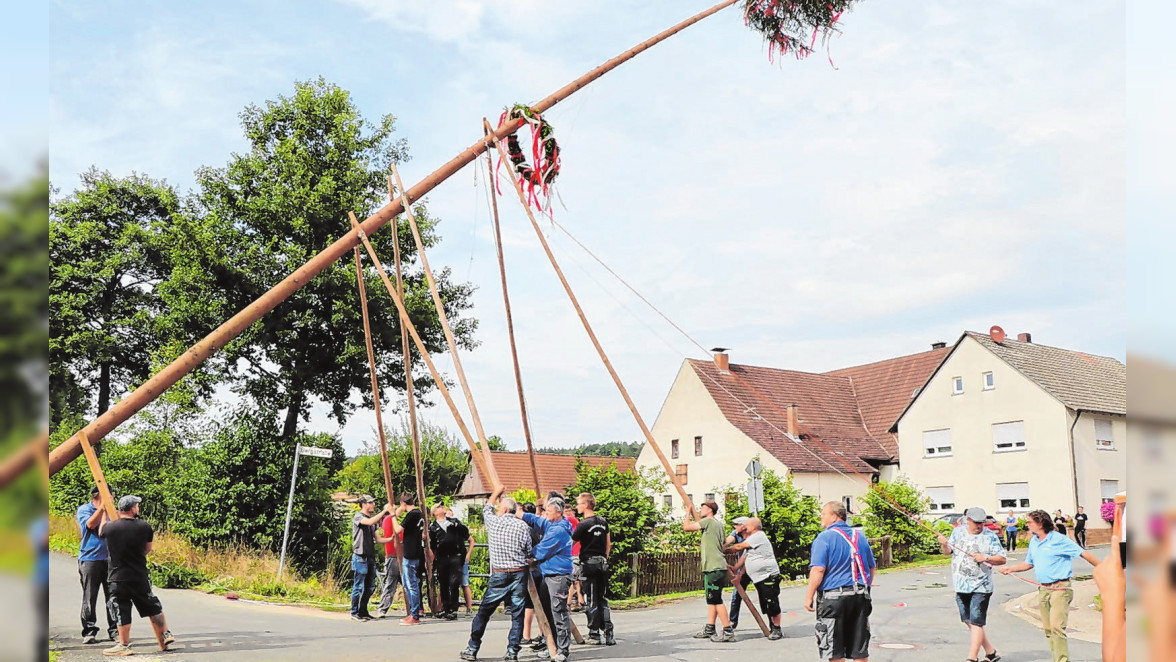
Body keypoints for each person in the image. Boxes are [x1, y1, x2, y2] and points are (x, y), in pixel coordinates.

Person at [999, 509, 1101, 662]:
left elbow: (1083, 553)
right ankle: (1057, 658)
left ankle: (1062, 660)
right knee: (1048, 629)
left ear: (1040, 523)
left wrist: (1104, 570)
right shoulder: (1034, 541)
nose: (1027, 525)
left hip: (1060, 588)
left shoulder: (1059, 539)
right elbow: (1028, 563)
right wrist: (1010, 568)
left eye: (1030, 522)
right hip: (1044, 589)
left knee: (1056, 627)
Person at [460, 484, 533, 662]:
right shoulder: (522, 526)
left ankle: (472, 648)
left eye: (501, 507)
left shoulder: (494, 522)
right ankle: (512, 652)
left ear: (505, 508)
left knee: (484, 613)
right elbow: (529, 551)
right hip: (518, 573)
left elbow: (487, 507)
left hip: (499, 574)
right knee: (517, 615)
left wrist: (496, 492)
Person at [98, 495, 174, 657]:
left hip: (118, 576)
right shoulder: (145, 526)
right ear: (132, 508)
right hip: (139, 574)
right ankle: (165, 634)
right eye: (137, 506)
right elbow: (148, 549)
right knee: (152, 606)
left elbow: (101, 530)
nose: (138, 508)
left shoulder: (111, 528)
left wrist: (104, 512)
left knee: (121, 609)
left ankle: (124, 644)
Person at [805, 501, 876, 662]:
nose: (821, 517)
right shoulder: (860, 536)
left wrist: (809, 596)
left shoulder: (824, 538)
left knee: (834, 650)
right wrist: (866, 587)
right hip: (859, 595)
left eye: (823, 514)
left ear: (834, 516)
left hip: (834, 598)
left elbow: (818, 569)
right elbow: (872, 567)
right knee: (859, 650)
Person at [937, 507, 1007, 662]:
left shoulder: (990, 536)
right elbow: (948, 552)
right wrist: (944, 544)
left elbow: (1002, 559)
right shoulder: (958, 532)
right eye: (976, 523)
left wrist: (986, 558)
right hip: (961, 584)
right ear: (967, 520)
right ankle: (991, 652)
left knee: (976, 621)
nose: (979, 526)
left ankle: (972, 657)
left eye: (982, 523)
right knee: (970, 621)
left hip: (981, 586)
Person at [523, 495, 575, 662]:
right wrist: (523, 515)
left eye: (548, 511)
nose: (545, 513)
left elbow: (542, 549)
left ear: (558, 512)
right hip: (549, 574)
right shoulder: (554, 523)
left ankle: (563, 650)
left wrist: (530, 557)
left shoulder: (558, 530)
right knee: (548, 612)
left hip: (558, 576)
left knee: (559, 612)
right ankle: (551, 644)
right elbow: (540, 521)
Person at [683, 500, 735, 643]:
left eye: (702, 507)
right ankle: (710, 628)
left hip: (714, 567)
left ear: (710, 510)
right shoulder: (718, 524)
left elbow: (686, 527)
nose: (700, 510)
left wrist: (688, 511)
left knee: (716, 600)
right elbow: (723, 543)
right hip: (716, 566)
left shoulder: (708, 522)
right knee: (712, 599)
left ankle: (728, 631)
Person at [726, 517, 784, 640]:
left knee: (771, 602)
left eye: (748, 525)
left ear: (754, 526)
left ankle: (777, 629)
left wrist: (722, 549)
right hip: (759, 577)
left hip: (768, 575)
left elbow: (738, 547)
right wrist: (736, 569)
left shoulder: (759, 536)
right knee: (765, 603)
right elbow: (745, 557)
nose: (746, 527)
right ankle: (772, 626)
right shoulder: (751, 539)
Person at [571, 492, 615, 646]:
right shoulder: (603, 523)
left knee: (591, 599)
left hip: (588, 564)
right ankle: (609, 633)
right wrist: (604, 559)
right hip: (602, 563)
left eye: (579, 503)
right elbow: (608, 544)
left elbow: (571, 541)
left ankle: (594, 634)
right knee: (602, 598)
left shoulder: (583, 524)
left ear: (586, 504)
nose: (577, 507)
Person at [77, 486, 118, 643]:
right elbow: (90, 525)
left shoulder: (113, 512)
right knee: (90, 596)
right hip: (90, 558)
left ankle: (115, 630)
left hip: (111, 559)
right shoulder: (84, 509)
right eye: (109, 495)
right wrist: (102, 508)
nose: (112, 497)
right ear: (99, 495)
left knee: (113, 596)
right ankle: (89, 631)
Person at [350, 495, 392, 621]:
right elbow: (369, 522)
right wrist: (385, 511)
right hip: (360, 556)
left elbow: (378, 539)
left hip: (370, 557)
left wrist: (392, 539)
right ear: (363, 504)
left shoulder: (373, 522)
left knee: (370, 587)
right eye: (370, 502)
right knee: (358, 586)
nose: (373, 504)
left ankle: (363, 611)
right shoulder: (359, 517)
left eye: (373, 502)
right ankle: (354, 612)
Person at [429, 503, 472, 620]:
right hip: (442, 557)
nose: (442, 507)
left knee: (454, 582)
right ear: (435, 512)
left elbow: (465, 533)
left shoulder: (454, 522)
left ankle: (453, 609)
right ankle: (445, 608)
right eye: (439, 507)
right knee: (443, 583)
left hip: (455, 556)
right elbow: (432, 545)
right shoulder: (432, 527)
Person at [397, 492, 427, 625]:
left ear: (403, 504)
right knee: (409, 583)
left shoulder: (412, 515)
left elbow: (398, 529)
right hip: (416, 551)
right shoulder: (420, 514)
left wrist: (393, 515)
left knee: (411, 584)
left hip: (411, 553)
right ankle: (414, 611)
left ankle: (414, 614)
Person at [724, 517, 752, 631]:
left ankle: (774, 624)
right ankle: (733, 621)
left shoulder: (752, 536)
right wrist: (721, 546)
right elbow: (728, 540)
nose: (734, 527)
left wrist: (739, 573)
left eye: (736, 524)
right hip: (742, 567)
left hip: (753, 568)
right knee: (737, 595)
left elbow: (747, 556)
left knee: (764, 596)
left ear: (743, 525)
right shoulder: (737, 533)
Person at [374, 509, 403, 619]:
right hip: (392, 557)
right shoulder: (387, 520)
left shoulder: (398, 524)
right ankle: (382, 609)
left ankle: (414, 609)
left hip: (403, 556)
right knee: (391, 584)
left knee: (408, 584)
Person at [448, 506, 476, 615]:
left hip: (460, 558)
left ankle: (469, 608)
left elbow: (471, 540)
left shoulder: (460, 527)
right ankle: (445, 607)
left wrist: (468, 554)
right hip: (452, 558)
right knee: (450, 583)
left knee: (464, 583)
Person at [564, 503, 583, 611]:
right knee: (576, 580)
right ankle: (580, 601)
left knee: (571, 579)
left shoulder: (572, 520)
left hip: (573, 553)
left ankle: (569, 603)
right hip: (576, 553)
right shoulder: (576, 522)